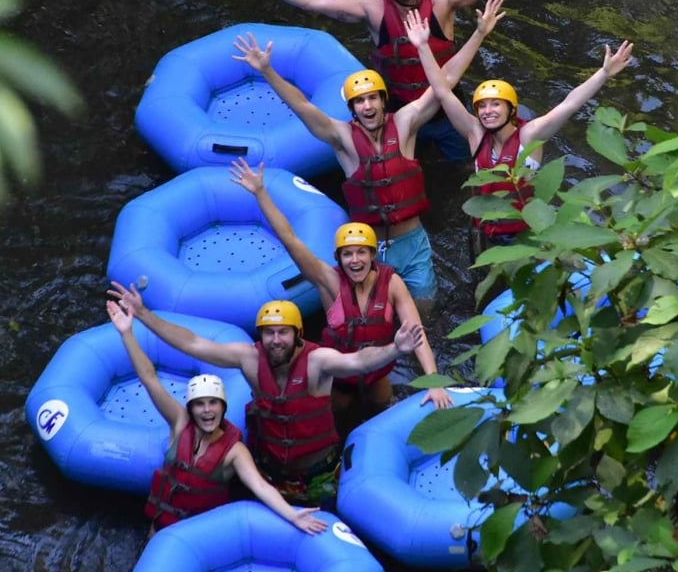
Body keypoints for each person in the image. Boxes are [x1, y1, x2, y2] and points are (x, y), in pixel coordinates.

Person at [230, 0, 506, 311]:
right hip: (369, 249)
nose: (368, 105)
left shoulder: (405, 123)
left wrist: (479, 33)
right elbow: (302, 106)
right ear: (352, 108)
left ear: (383, 101)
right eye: (360, 101)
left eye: (373, 98)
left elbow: (446, 81)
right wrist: (268, 71)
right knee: (374, 321)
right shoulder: (341, 138)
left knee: (425, 315)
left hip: (413, 243)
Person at [227, 0, 569, 158]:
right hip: (400, 111)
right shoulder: (373, 10)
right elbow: (318, 1)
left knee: (464, 161)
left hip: (446, 107)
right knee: (403, 164)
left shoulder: (443, 0)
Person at [109, 283, 424, 506]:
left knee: (324, 520)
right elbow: (193, 343)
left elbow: (357, 361)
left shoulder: (317, 361)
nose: (275, 340)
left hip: (316, 473)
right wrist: (143, 315)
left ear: (297, 334)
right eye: (269, 333)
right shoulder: (248, 357)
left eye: (283, 332)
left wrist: (395, 348)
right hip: (267, 469)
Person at [228, 158, 452, 424]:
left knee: (382, 408)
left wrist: (434, 382)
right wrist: (260, 193)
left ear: (372, 255)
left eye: (361, 253)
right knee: (336, 417)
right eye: (347, 254)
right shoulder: (327, 280)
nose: (354, 260)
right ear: (338, 258)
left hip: (376, 373)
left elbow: (416, 333)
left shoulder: (392, 283)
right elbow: (289, 238)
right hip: (338, 378)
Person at [408, 7, 635, 252]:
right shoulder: (475, 133)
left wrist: (603, 73)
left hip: (523, 236)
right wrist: (422, 46)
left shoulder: (530, 135)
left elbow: (569, 104)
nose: (488, 111)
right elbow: (442, 91)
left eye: (496, 104)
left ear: (511, 110)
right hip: (483, 231)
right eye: (482, 106)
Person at [106, 298, 328, 537]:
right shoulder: (180, 423)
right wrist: (127, 332)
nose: (207, 411)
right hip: (163, 526)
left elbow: (260, 486)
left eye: (213, 403)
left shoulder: (234, 451)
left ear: (223, 407)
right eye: (200, 405)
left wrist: (293, 515)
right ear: (190, 408)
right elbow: (149, 378)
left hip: (201, 535)